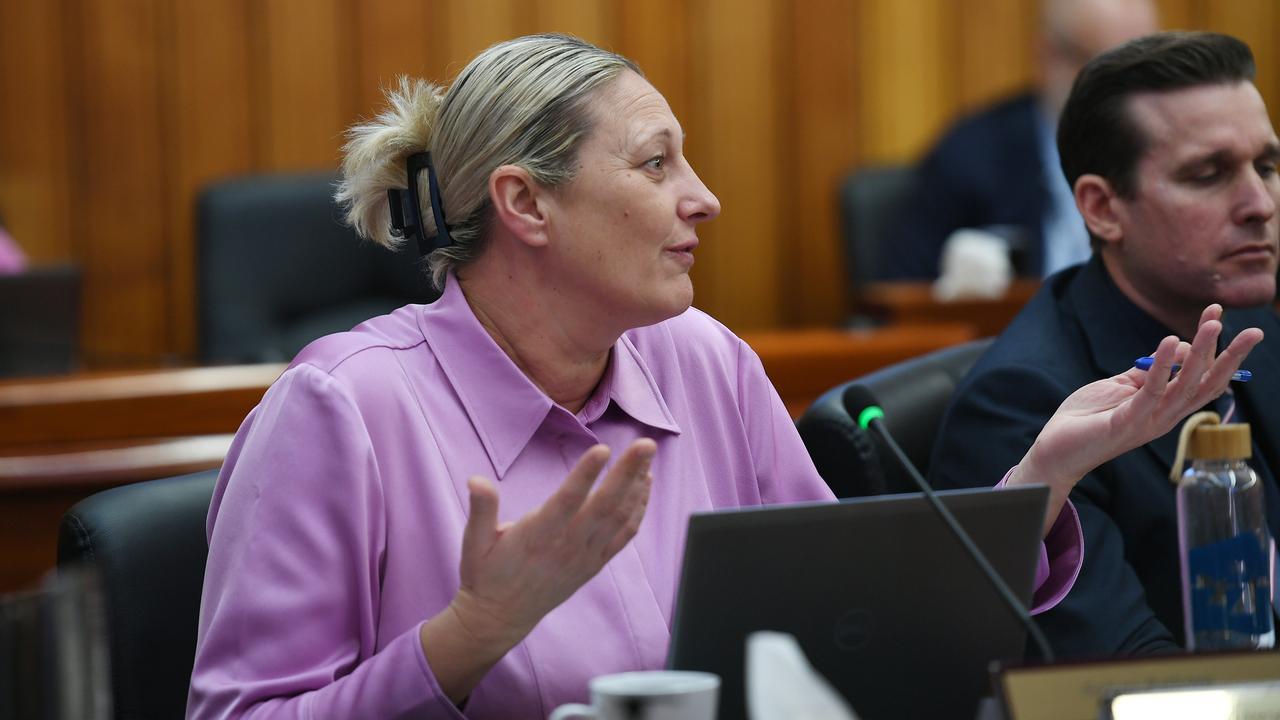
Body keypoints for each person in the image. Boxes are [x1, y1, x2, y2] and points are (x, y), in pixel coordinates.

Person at [186, 34, 1260, 719]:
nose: (701, 198)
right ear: (524, 206)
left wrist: (1038, 477)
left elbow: (849, 636)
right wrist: (463, 641)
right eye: (656, 164)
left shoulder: (705, 363)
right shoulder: (344, 409)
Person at [931, 31, 1280, 658]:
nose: (1260, 204)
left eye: (1268, 165)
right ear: (1102, 208)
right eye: (1209, 174)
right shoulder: (1023, 404)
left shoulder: (1259, 330)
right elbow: (1128, 678)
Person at [879, 0, 1156, 280]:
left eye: (1143, 71)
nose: (1129, 93)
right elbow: (900, 293)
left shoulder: (1166, 151)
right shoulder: (972, 155)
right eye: (1107, 70)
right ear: (1049, 54)